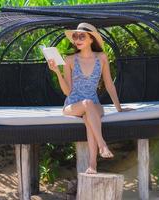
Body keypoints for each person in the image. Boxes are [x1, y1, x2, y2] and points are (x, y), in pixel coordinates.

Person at [47, 22, 133, 174]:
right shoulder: (70, 59)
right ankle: (102, 144)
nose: (77, 39)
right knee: (87, 105)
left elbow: (109, 84)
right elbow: (67, 91)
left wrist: (119, 108)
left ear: (91, 39)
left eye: (81, 36)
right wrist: (57, 72)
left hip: (93, 104)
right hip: (73, 104)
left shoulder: (102, 57)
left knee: (89, 116)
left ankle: (92, 165)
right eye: (75, 36)